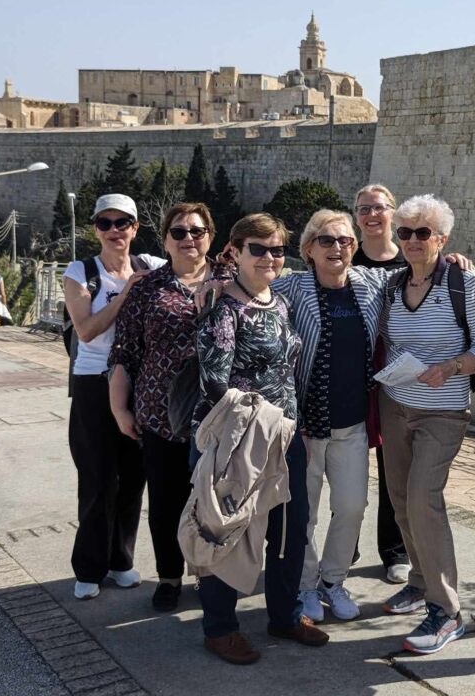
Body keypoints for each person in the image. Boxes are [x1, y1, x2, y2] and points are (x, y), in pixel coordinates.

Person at [191, 213, 327, 665]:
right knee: (229, 530)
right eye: (258, 248)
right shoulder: (223, 308)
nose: (269, 257)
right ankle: (220, 629)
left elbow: (286, 369)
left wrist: (292, 425)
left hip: (285, 437)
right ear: (235, 251)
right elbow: (214, 382)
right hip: (240, 441)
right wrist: (262, 422)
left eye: (277, 249)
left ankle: (284, 616)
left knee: (290, 528)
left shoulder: (279, 300)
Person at [378, 194, 475, 655]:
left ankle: (447, 611)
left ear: (442, 239)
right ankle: (419, 580)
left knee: (424, 500)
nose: (412, 240)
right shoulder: (392, 284)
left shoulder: (463, 281)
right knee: (400, 499)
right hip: (396, 404)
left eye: (422, 232)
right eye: (405, 232)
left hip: (442, 411)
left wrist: (450, 367)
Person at [271, 209, 390, 624]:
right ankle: (305, 585)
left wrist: (454, 261)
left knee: (353, 506)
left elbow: (417, 271)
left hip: (352, 424)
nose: (337, 247)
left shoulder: (371, 284)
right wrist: (213, 285)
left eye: (345, 240)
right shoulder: (291, 287)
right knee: (304, 514)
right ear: (309, 249)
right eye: (326, 240)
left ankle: (333, 580)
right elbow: (248, 286)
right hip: (306, 428)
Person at [108, 202, 219, 612]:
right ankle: (170, 576)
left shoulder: (230, 283)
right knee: (166, 503)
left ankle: (208, 574)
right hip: (160, 415)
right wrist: (120, 410)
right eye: (179, 232)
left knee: (212, 504)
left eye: (197, 231)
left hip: (218, 415)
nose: (189, 238)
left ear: (210, 236)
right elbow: (124, 352)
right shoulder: (147, 288)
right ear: (165, 240)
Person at [62, 194, 166, 601]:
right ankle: (89, 567)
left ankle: (120, 560)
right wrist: (125, 296)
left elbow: (191, 271)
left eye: (122, 222)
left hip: (139, 380)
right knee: (97, 478)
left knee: (133, 478)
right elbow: (86, 330)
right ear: (96, 230)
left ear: (135, 228)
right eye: (105, 223)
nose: (114, 230)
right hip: (94, 381)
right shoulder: (81, 272)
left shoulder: (150, 265)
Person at [350, 184, 412, 585]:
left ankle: (395, 551)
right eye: (363, 209)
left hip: (399, 378)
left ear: (393, 212)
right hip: (354, 376)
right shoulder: (343, 257)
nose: (372, 215)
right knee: (350, 468)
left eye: (379, 207)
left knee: (395, 470)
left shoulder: (413, 258)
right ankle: (345, 547)